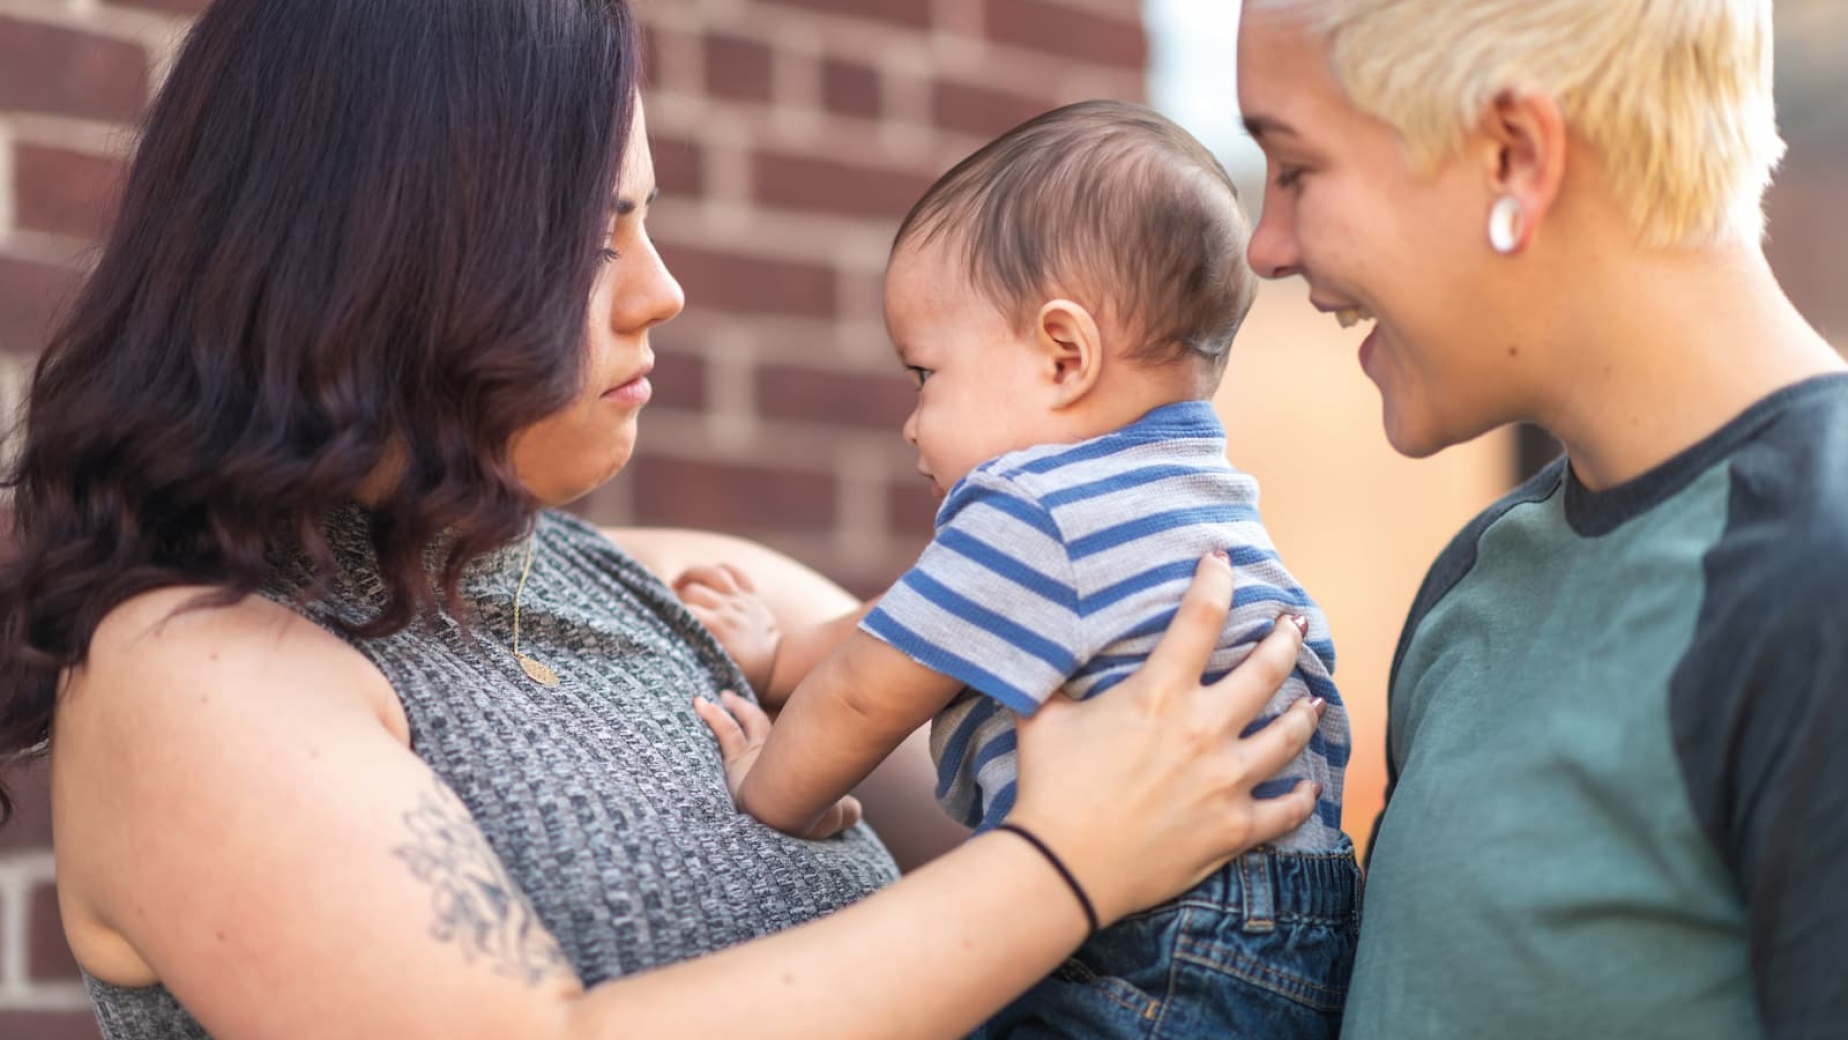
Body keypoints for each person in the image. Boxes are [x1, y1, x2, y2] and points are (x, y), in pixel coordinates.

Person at [0, 1, 1329, 1037]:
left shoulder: (700, 590)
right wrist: (1063, 865)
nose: (664, 291)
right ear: (383, 258)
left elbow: (1116, 744)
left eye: (651, 225)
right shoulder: (196, 670)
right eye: (597, 239)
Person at [680, 100, 1358, 1038]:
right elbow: (922, 616)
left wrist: (771, 785)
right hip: (1297, 924)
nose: (912, 423)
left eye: (925, 375)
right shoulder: (1194, 495)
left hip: (1157, 930)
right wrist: (782, 652)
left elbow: (867, 694)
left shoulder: (1036, 506)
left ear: (1064, 355)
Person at [1234, 0, 1848, 1035]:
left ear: (1515, 155)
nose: (1267, 246)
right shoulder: (1484, 571)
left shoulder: (1819, 582)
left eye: (1297, 169)